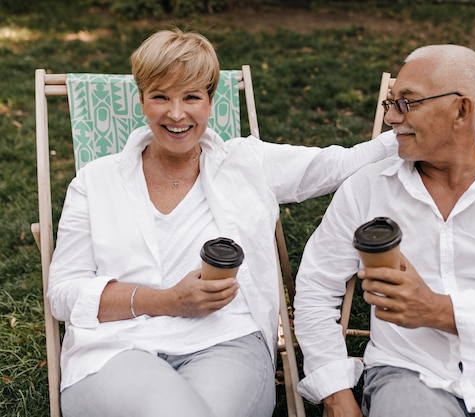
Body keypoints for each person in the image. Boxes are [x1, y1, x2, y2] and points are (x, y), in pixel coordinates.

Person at [47, 28, 398, 417]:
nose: (176, 113)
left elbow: (343, 164)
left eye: (191, 97)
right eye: (160, 96)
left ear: (210, 101)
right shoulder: (96, 182)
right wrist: (165, 301)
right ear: (142, 101)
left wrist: (419, 124)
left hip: (227, 340)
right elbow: (63, 292)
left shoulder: (247, 164)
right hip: (116, 348)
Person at [293, 44, 475, 417]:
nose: (391, 119)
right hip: (409, 373)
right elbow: (317, 288)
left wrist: (439, 310)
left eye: (408, 103)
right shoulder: (368, 188)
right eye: (390, 103)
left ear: (461, 110)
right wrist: (335, 392)